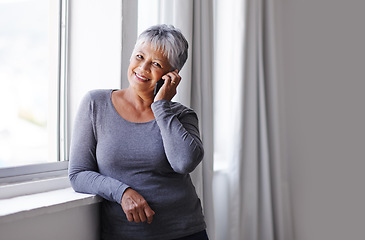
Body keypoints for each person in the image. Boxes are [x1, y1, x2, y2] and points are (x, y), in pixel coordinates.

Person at [68, 24, 208, 240]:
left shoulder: (182, 116)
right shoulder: (95, 104)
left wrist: (161, 106)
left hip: (185, 232)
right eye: (140, 56)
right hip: (124, 234)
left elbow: (184, 163)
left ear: (172, 75)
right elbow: (78, 174)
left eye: (156, 64)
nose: (143, 68)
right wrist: (122, 192)